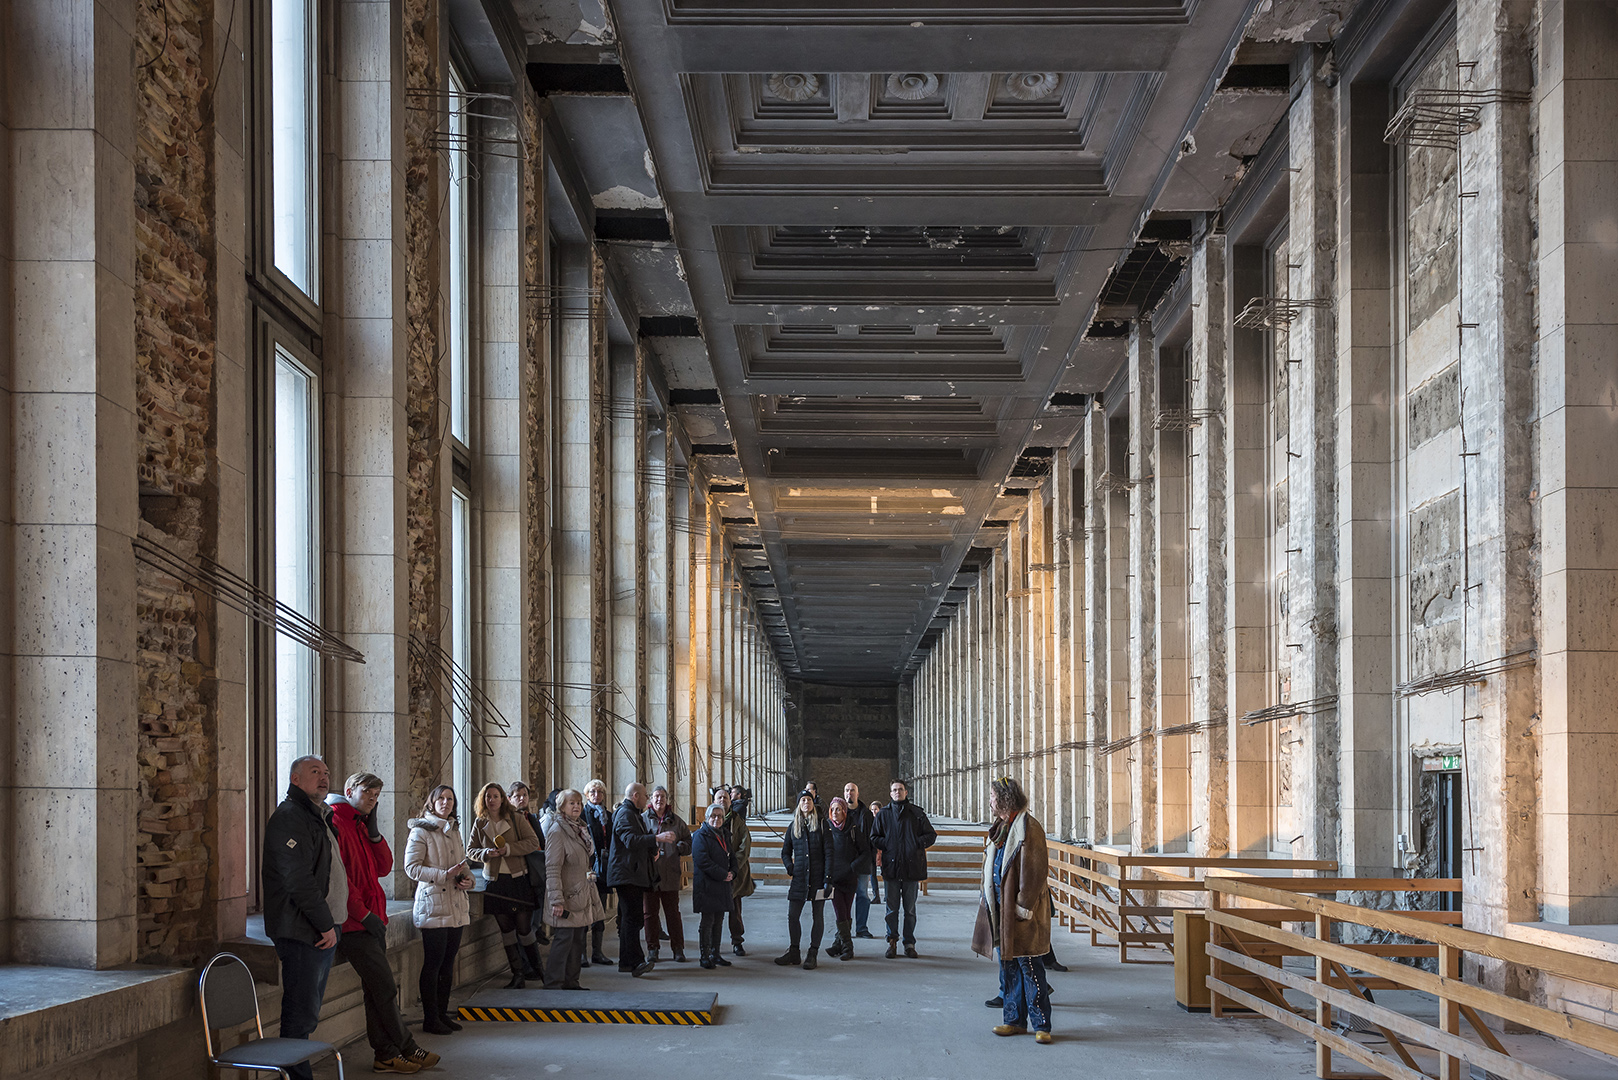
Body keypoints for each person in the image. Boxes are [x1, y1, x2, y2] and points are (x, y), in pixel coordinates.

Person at [327, 772, 439, 1074]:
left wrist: (374, 833)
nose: (372, 800)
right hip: (355, 923)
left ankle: (385, 1055)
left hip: (374, 917)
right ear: (350, 790)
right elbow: (340, 881)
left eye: (376, 795)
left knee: (375, 990)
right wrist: (363, 915)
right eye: (367, 793)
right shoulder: (336, 822)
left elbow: (384, 867)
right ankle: (406, 1046)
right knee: (386, 987)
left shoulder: (360, 825)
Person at [262, 756, 343, 1080]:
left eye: (325, 772)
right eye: (314, 773)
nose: (323, 778)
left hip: (322, 929)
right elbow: (297, 879)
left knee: (306, 1015)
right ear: (295, 779)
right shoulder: (290, 817)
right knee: (299, 1016)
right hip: (304, 930)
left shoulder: (317, 816)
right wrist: (325, 923)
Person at [973, 777, 1054, 1044]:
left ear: (1005, 799)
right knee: (1008, 967)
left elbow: (1035, 872)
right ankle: (1014, 1021)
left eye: (993, 796)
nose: (990, 801)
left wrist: (1022, 908)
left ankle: (1042, 1025)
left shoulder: (1029, 828)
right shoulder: (1001, 827)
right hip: (1001, 910)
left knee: (1030, 967)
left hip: (1020, 914)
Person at [406, 784, 474, 1035]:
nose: (446, 803)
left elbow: (463, 864)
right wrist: (443, 875)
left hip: (455, 902)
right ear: (432, 802)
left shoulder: (454, 829)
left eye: (450, 799)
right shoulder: (420, 831)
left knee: (448, 964)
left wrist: (468, 879)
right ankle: (430, 1017)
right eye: (441, 798)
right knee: (433, 964)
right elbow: (411, 868)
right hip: (433, 903)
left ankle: (442, 1014)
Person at [469, 782, 542, 988]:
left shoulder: (516, 819)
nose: (491, 800)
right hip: (495, 881)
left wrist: (508, 849)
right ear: (483, 800)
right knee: (506, 930)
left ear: (503, 799)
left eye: (495, 796)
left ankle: (538, 970)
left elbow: (532, 841)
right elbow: (470, 849)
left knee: (524, 928)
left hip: (518, 879)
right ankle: (517, 973)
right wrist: (485, 854)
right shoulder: (480, 823)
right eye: (488, 797)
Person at [541, 788, 606, 990]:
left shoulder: (580, 829)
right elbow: (552, 868)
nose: (576, 806)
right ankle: (553, 982)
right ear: (562, 807)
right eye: (571, 803)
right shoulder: (557, 831)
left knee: (578, 939)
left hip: (581, 893)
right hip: (566, 896)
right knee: (564, 940)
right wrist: (556, 900)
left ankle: (571, 981)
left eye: (578, 802)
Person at [606, 782, 673, 976]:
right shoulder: (625, 814)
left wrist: (653, 848)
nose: (648, 798)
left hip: (632, 874)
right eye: (646, 795)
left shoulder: (633, 813)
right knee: (631, 919)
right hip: (626, 875)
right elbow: (630, 840)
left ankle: (627, 962)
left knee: (632, 919)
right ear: (635, 795)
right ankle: (634, 962)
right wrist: (657, 839)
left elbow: (639, 837)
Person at [870, 779, 938, 958]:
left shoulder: (916, 813)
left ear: (906, 792)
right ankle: (891, 942)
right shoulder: (883, 814)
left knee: (909, 909)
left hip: (911, 867)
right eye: (894, 790)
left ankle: (909, 943)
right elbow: (874, 836)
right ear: (890, 793)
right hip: (891, 867)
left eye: (900, 789)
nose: (897, 792)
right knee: (891, 909)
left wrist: (917, 843)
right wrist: (888, 844)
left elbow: (931, 835)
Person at [776, 789, 832, 969]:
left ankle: (813, 953)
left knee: (818, 916)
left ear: (813, 803)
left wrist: (828, 879)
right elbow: (785, 851)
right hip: (799, 877)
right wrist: (789, 866)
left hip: (818, 877)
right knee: (793, 916)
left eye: (808, 800)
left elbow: (830, 853)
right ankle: (794, 951)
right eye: (803, 800)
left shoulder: (823, 824)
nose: (806, 803)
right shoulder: (793, 826)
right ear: (799, 804)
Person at [642, 786, 692, 962]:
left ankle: (678, 948)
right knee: (650, 914)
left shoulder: (676, 821)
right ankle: (652, 949)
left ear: (667, 799)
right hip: (649, 875)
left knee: (673, 913)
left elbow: (688, 840)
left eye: (662, 797)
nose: (659, 800)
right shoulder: (643, 820)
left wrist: (680, 847)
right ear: (650, 799)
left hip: (670, 873)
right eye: (656, 796)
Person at [823, 796, 871, 962]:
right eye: (832, 809)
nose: (835, 813)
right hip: (833, 878)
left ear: (844, 811)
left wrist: (853, 866)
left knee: (846, 912)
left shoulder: (853, 829)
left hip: (849, 877)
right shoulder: (827, 828)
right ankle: (848, 947)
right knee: (840, 913)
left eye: (838, 809)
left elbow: (865, 851)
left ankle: (838, 944)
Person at [690, 803, 735, 969]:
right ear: (707, 818)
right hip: (707, 885)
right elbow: (702, 860)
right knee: (708, 921)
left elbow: (732, 857)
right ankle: (704, 955)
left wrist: (733, 872)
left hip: (722, 885)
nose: (717, 819)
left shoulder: (724, 835)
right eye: (713, 816)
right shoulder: (700, 836)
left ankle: (716, 953)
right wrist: (723, 874)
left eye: (720, 816)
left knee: (719, 920)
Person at [713, 784, 755, 956]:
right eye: (719, 798)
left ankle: (737, 941)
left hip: (734, 873)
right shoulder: (710, 820)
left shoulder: (738, 821)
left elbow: (745, 846)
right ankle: (712, 944)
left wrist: (733, 866)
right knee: (714, 911)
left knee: (735, 909)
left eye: (725, 798)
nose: (722, 800)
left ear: (731, 801)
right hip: (715, 873)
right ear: (714, 801)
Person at [508, 781, 550, 945]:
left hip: (537, 868)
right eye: (517, 796)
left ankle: (537, 927)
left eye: (524, 795)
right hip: (521, 870)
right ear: (509, 798)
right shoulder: (510, 820)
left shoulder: (531, 818)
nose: (522, 799)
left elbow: (540, 841)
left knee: (538, 904)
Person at [582, 779, 614, 966]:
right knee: (583, 911)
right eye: (593, 792)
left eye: (600, 792)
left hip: (604, 869)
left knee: (599, 911)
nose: (596, 795)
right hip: (587, 868)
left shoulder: (608, 816)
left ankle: (597, 952)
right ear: (587, 795)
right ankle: (581, 954)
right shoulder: (583, 815)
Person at [843, 782, 879, 937]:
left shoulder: (866, 814)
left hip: (863, 861)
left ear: (857, 794)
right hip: (844, 863)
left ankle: (861, 928)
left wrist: (871, 860)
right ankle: (844, 930)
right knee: (843, 897)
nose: (849, 793)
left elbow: (872, 838)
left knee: (862, 894)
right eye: (847, 790)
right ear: (844, 793)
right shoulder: (839, 812)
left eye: (852, 791)